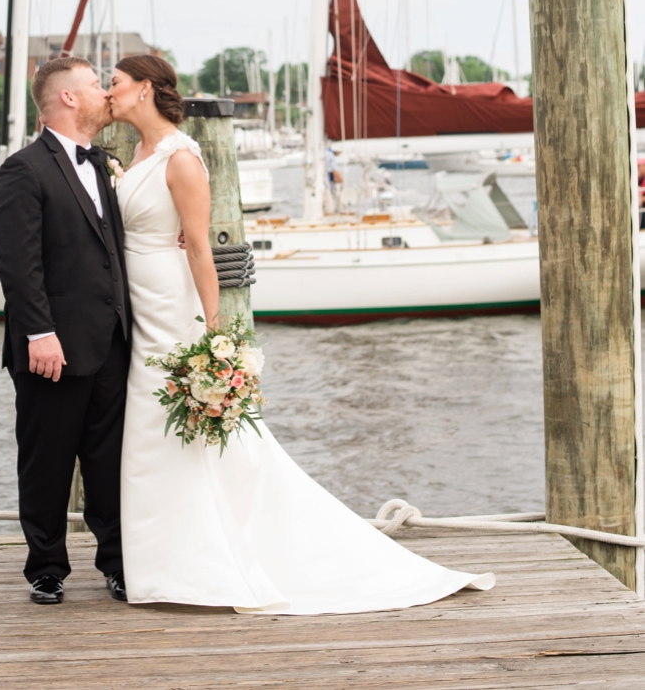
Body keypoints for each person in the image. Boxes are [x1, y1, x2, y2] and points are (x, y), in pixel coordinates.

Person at [110, 53, 496, 613]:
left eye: (116, 83)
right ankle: (166, 561)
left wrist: (216, 334)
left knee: (171, 421)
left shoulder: (181, 157)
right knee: (150, 428)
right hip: (139, 304)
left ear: (144, 89)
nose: (109, 91)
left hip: (172, 308)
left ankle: (206, 562)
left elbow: (199, 245)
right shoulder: (135, 153)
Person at [0, 56, 130, 606]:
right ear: (68, 98)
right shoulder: (23, 169)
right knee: (46, 458)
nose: (104, 93)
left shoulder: (101, 164)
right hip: (54, 346)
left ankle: (117, 563)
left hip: (112, 340)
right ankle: (46, 566)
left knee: (109, 459)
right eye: (96, 84)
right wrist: (39, 332)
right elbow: (18, 265)